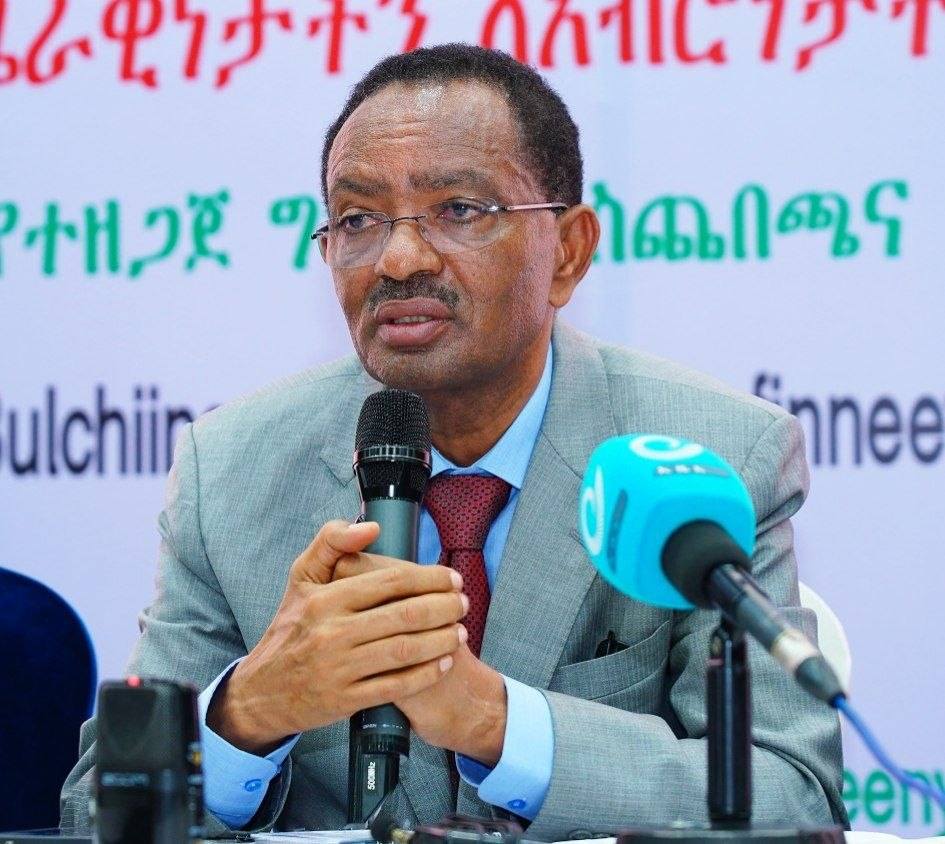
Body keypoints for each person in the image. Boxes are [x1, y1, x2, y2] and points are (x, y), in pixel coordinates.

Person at [61, 44, 847, 841]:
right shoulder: (229, 470)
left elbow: (793, 797)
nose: (398, 258)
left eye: (460, 210)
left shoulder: (707, 458)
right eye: (358, 219)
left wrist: (494, 721)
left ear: (567, 251)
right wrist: (249, 710)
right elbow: (94, 814)